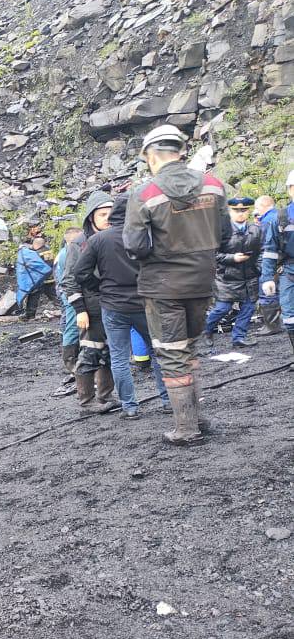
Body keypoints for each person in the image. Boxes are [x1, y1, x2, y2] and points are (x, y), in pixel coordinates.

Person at [123, 124, 224, 444]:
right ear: (181, 151)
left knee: (170, 353)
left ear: (151, 157)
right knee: (190, 350)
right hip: (202, 282)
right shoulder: (214, 185)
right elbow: (227, 235)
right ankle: (197, 418)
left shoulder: (146, 194)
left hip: (163, 286)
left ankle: (186, 428)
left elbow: (135, 246)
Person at [72, 193, 169, 418]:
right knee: (158, 353)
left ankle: (130, 407)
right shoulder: (146, 237)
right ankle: (167, 400)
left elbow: (79, 272)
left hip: (113, 306)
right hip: (145, 303)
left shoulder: (98, 240)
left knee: (118, 357)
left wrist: (99, 286)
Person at [63, 192, 117, 411]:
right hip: (91, 307)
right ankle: (86, 401)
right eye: (102, 214)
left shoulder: (115, 237)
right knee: (90, 351)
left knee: (110, 352)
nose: (107, 218)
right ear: (91, 217)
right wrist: (79, 310)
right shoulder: (79, 244)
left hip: (113, 304)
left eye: (111, 214)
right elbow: (69, 279)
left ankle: (105, 396)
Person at [203, 196, 262, 349]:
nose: (240, 213)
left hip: (249, 276)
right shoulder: (221, 230)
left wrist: (259, 267)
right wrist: (232, 258)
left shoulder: (255, 229)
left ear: (248, 211)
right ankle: (206, 331)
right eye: (236, 210)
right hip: (226, 277)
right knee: (223, 308)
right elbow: (212, 254)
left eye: (244, 210)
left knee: (248, 307)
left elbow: (262, 251)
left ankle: (239, 337)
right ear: (230, 211)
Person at [260, 168, 294, 368]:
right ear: (290, 190)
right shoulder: (280, 218)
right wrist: (267, 278)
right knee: (290, 318)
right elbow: (270, 251)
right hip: (289, 272)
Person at [55, 226, 83, 376]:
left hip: (67, 292)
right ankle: (71, 361)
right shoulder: (67, 254)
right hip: (71, 294)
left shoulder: (63, 252)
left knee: (70, 323)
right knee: (72, 325)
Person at [254, 194, 283, 335]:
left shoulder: (267, 221)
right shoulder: (280, 215)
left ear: (264, 206)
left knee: (267, 291)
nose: (256, 210)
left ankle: (272, 325)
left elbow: (265, 244)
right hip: (284, 260)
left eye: (257, 207)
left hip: (272, 261)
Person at [16, 237, 56, 319]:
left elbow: (32, 266)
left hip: (39, 279)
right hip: (51, 278)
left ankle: (30, 315)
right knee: (54, 296)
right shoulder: (49, 251)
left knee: (33, 297)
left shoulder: (36, 254)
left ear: (36, 245)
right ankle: (65, 309)